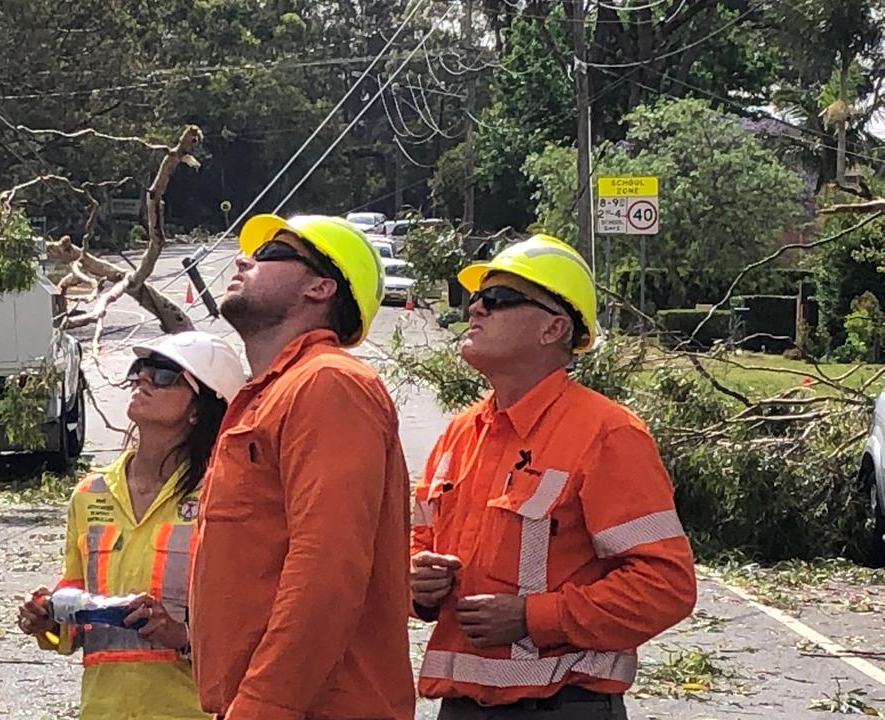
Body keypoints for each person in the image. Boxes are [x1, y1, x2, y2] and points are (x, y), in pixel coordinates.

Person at [410, 235, 697, 719]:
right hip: (461, 706)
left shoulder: (607, 434)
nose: (475, 308)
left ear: (553, 329)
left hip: (564, 706)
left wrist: (533, 618)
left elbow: (665, 586)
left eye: (497, 299)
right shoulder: (461, 433)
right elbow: (417, 542)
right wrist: (417, 581)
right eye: (475, 298)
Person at [189, 214, 415, 720]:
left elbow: (327, 565)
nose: (243, 259)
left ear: (321, 286)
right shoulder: (272, 392)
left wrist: (265, 705)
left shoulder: (328, 383)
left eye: (269, 254)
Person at [17, 331, 248, 720]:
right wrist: (46, 619)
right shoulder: (90, 495)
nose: (142, 379)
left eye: (163, 374)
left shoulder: (224, 498)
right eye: (139, 370)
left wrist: (182, 636)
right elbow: (76, 616)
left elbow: (247, 623)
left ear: (201, 407)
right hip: (103, 710)